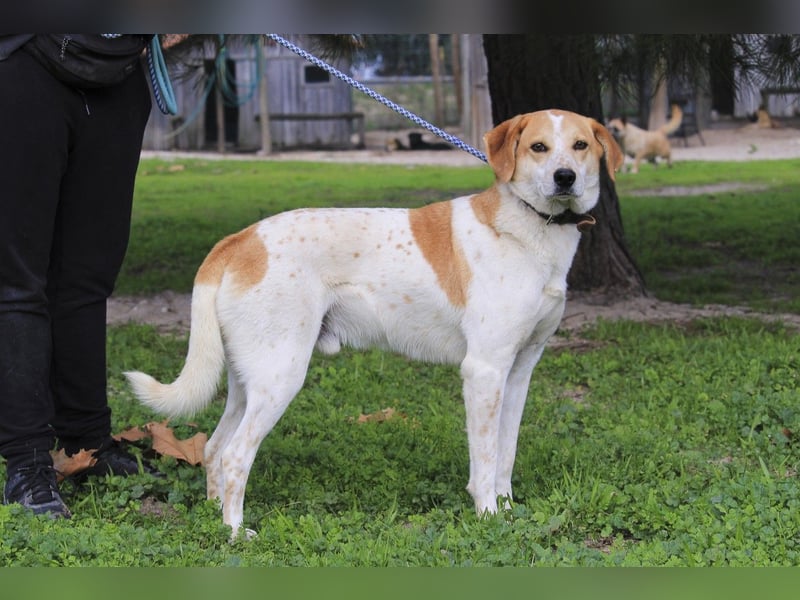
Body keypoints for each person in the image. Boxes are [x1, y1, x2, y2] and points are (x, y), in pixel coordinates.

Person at [0, 34, 162, 519]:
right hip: (20, 63)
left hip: (117, 77)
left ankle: (85, 442)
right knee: (16, 282)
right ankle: (27, 461)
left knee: (87, 281)